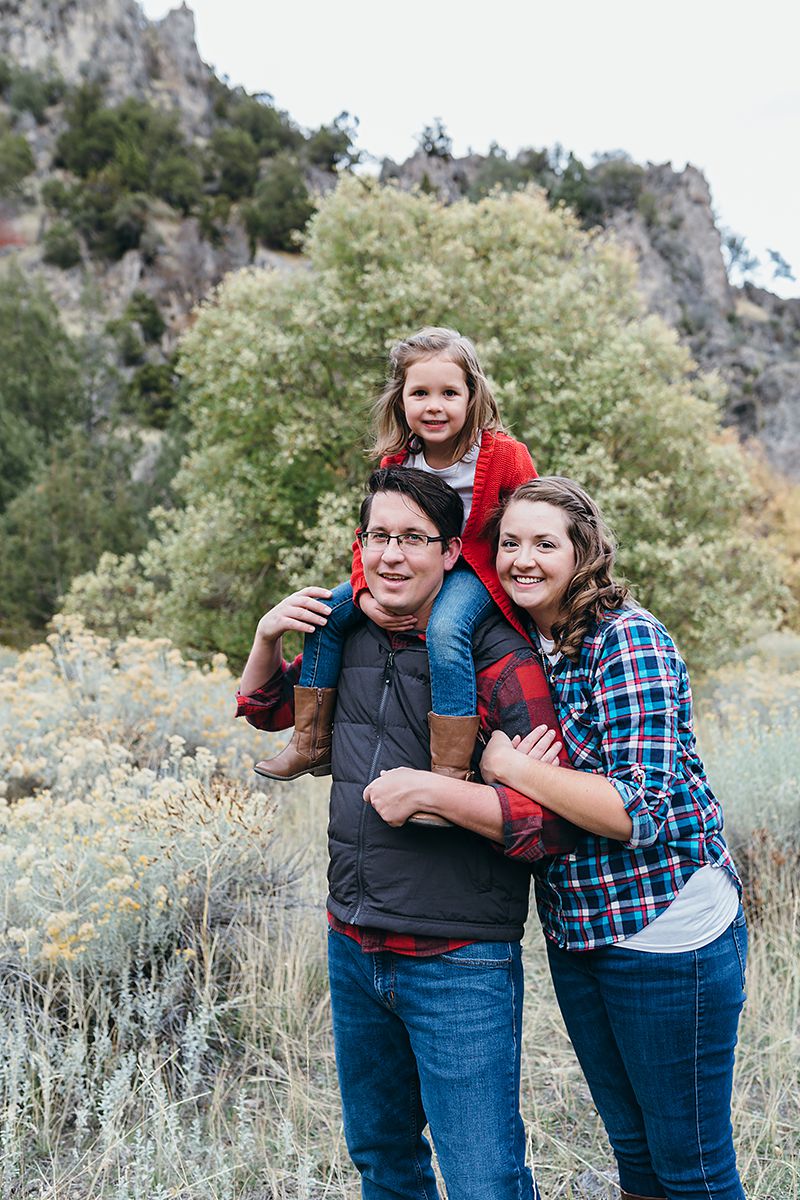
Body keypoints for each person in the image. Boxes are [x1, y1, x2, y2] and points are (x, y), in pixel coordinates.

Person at [237, 466, 577, 1200]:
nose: (391, 555)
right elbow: (268, 709)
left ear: (451, 552)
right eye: (378, 536)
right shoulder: (347, 635)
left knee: (485, 1180)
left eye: (413, 539)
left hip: (458, 958)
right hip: (354, 941)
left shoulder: (498, 656)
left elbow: (550, 825)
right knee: (384, 1162)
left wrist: (438, 795)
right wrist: (267, 634)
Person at [480, 476, 748, 1200]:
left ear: (583, 552)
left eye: (544, 543)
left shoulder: (626, 640)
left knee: (691, 1166)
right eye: (510, 543)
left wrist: (512, 768)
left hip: (666, 929)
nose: (523, 559)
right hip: (579, 929)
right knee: (634, 1156)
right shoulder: (525, 644)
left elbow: (639, 811)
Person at [255, 326, 537, 785]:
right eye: (419, 393)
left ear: (472, 396)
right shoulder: (399, 460)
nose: (434, 406)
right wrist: (364, 594)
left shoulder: (503, 455)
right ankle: (310, 742)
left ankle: (450, 769)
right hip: (412, 566)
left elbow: (532, 517)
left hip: (475, 573)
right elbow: (368, 537)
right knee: (328, 613)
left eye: (449, 393)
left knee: (446, 629)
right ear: (400, 400)